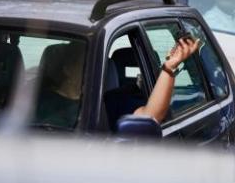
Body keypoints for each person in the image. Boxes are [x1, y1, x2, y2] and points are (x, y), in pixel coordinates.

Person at [35, 36, 200, 129]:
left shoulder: (111, 102)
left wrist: (169, 68)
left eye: (95, 63)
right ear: (66, 69)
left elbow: (151, 116)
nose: (93, 68)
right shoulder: (33, 99)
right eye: (84, 62)